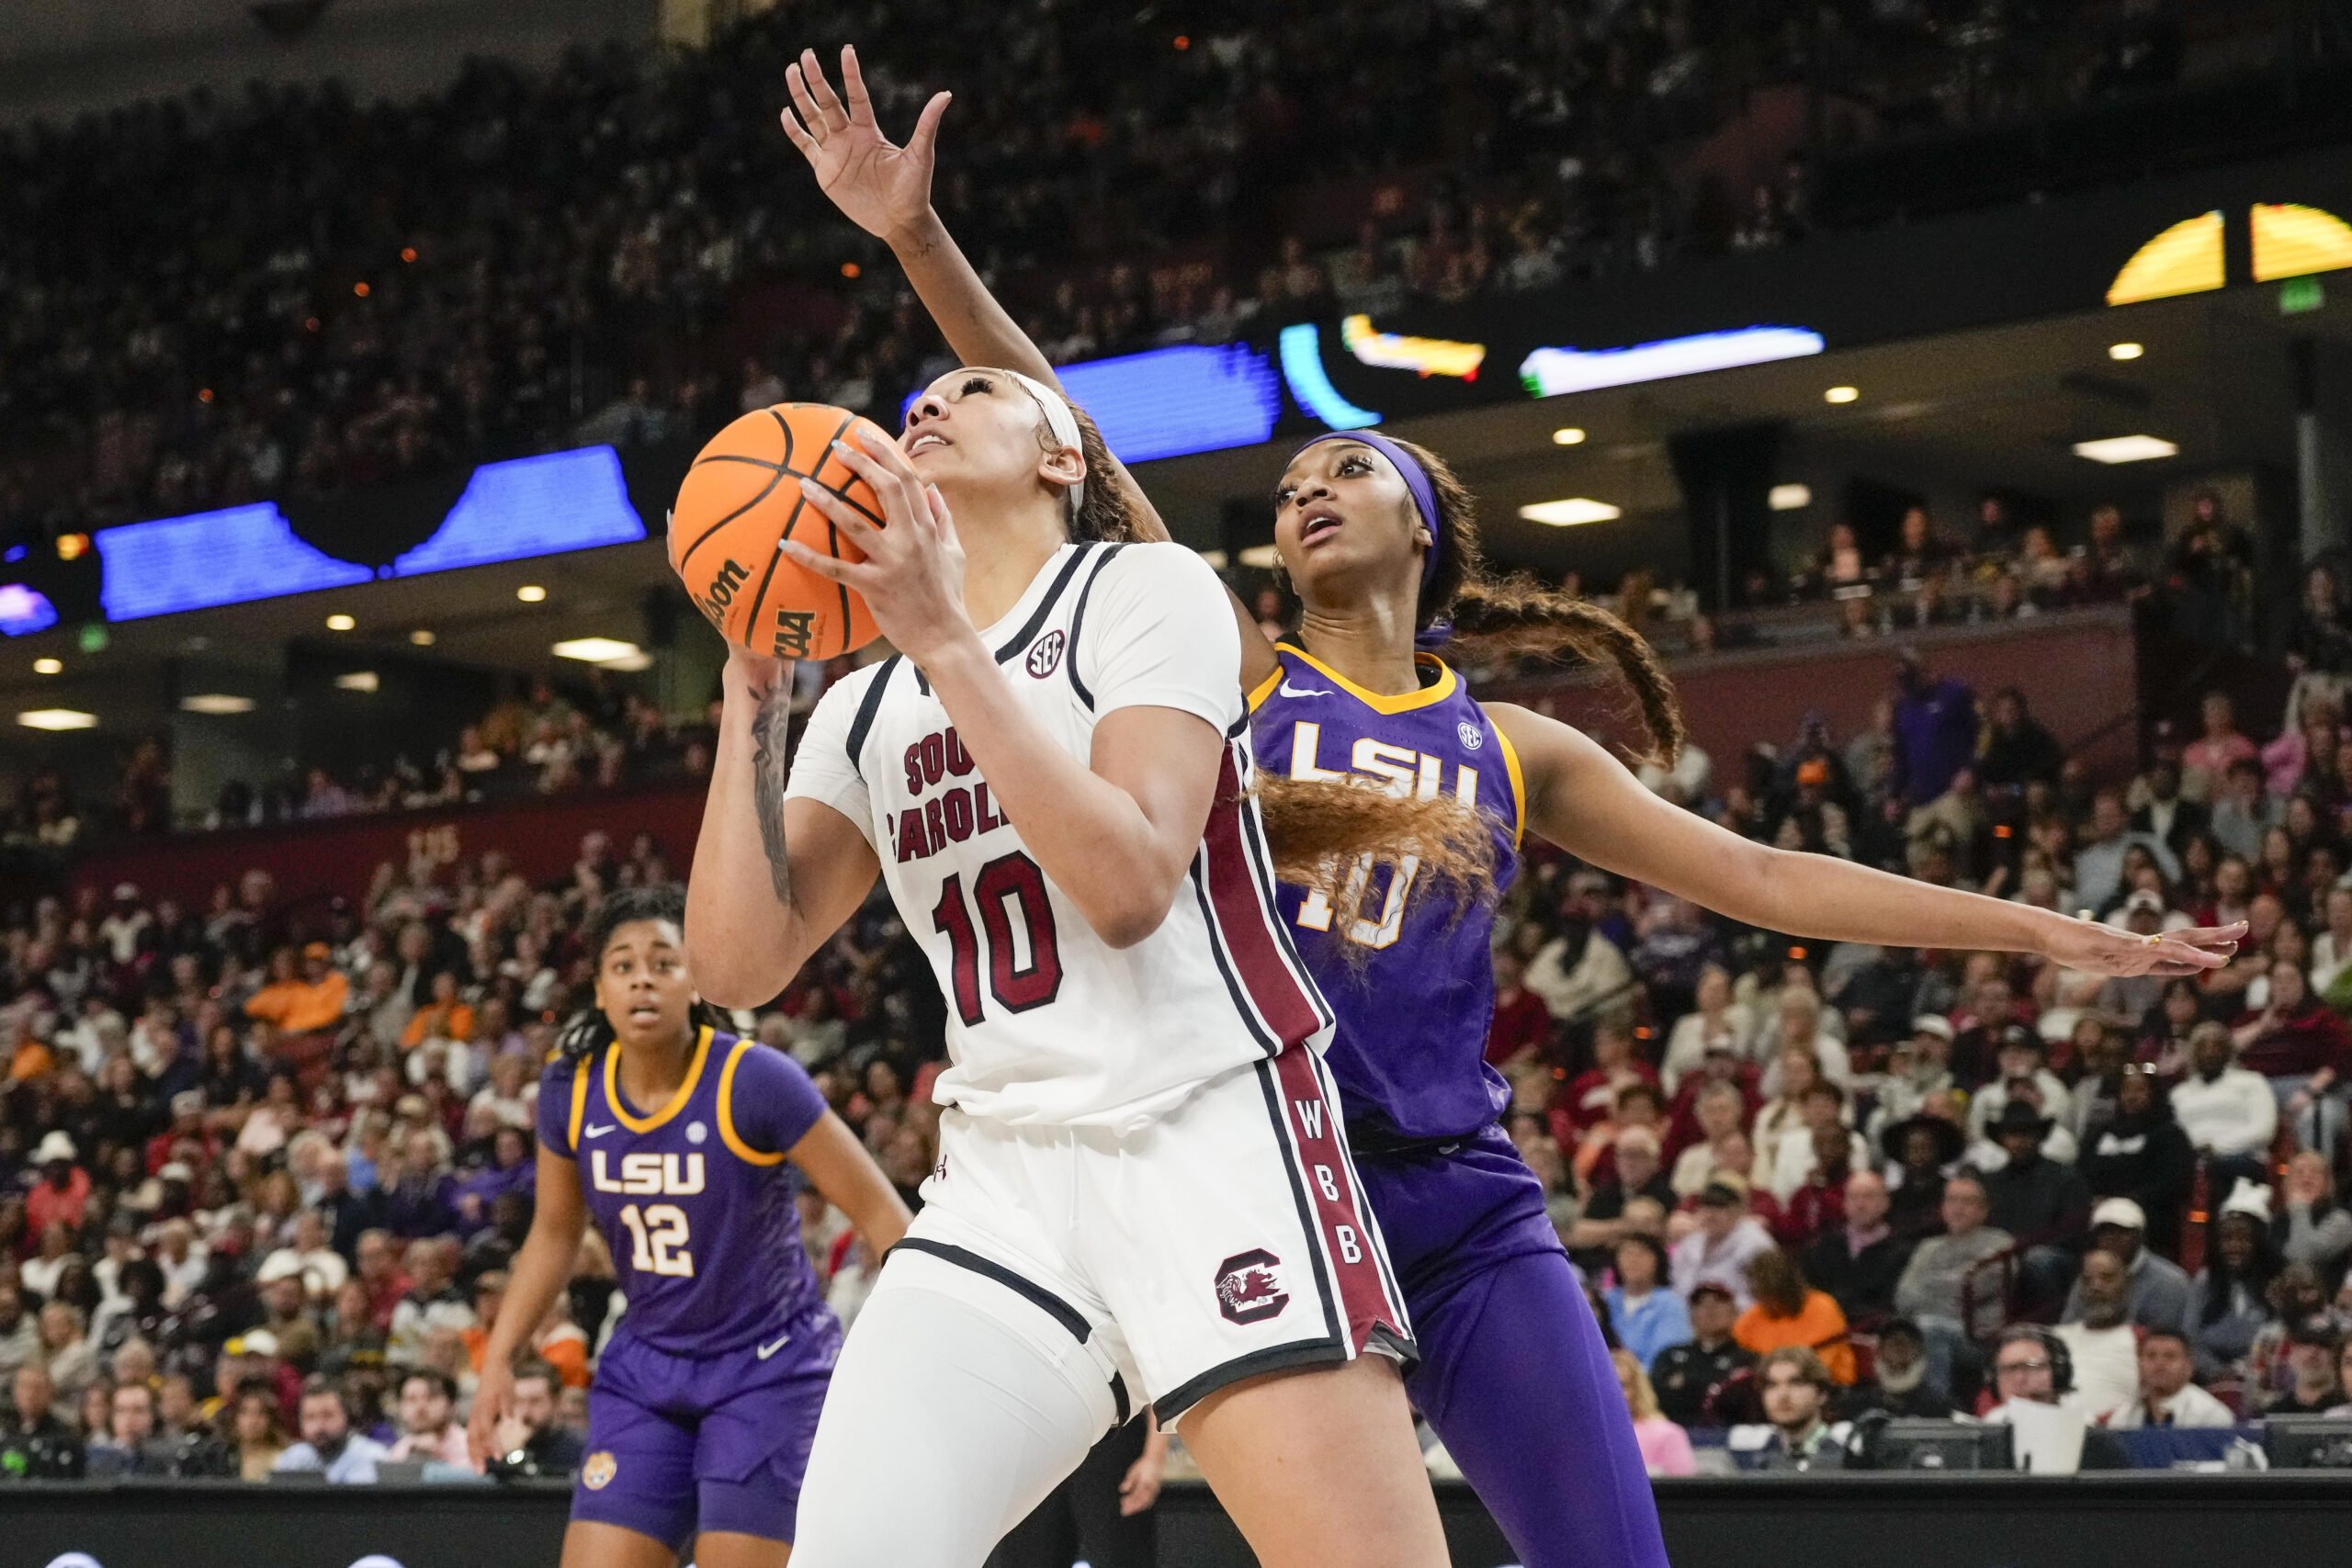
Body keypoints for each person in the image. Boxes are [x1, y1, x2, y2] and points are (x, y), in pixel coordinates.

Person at [785, 43, 2242, 1568]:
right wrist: (913, 236)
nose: (1305, 495)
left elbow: (1764, 874)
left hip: (1460, 1205)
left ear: (1430, 525)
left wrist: (2057, 936)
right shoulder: (1220, 661)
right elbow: (1061, 429)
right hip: (1260, 1171)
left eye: (1348, 470)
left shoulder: (1518, 745)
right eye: (1289, 489)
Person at [686, 52, 1446, 1568]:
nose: (931, 402)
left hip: (1210, 1133)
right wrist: (750, 693)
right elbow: (735, 967)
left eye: (969, 388)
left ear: (1058, 454)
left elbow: (1126, 885)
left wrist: (949, 643)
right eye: (914, 398)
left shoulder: (1141, 593)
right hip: (1008, 1178)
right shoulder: (867, 698)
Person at [468, 887, 910, 1568]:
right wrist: (498, 1358)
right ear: (599, 987)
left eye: (663, 961)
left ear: (696, 981)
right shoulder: (572, 1088)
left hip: (768, 1368)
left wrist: (915, 1359)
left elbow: (885, 1214)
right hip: (649, 1368)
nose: (642, 976)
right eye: (623, 964)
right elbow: (555, 1233)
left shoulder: (755, 1078)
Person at [986, 1416, 1168, 1568]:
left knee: (1117, 1556)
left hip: (1111, 1434)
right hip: (1034, 1445)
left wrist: (1154, 1456)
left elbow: (1161, 1377)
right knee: (1026, 1557)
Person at [1894, 1173, 2014, 1401]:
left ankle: (1934, 1413)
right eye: (1952, 1200)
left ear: (1983, 1210)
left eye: (1967, 1202)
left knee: (1931, 1327)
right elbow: (1903, 1297)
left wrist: (1929, 1285)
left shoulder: (1999, 1243)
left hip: (1977, 1338)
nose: (1958, 1208)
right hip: (1923, 1329)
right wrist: (1949, 1285)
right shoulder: (1927, 1247)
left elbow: (1974, 1287)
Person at [1982, 1326, 2132, 1471]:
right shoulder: (1981, 1439)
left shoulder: (2094, 1443)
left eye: (2031, 1367)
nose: (2019, 1378)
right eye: (2009, 1369)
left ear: (2059, 1374)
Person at [2062, 1198, 2195, 1335]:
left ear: (2140, 1236)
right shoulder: (2091, 1275)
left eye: (2122, 1232)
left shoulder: (2170, 1281)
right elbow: (2069, 1325)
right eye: (2105, 1232)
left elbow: (2165, 1338)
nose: (2112, 1238)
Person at [1801, 1169, 1912, 1327]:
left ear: (1886, 1202)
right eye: (1853, 1197)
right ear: (1844, 1204)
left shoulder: (1901, 1252)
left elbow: (1890, 1306)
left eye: (1868, 1196)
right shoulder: (1822, 1247)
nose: (1860, 1204)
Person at [1733, 1250, 1855, 1384]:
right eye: (1761, 1294)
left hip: (1827, 1387)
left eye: (1774, 1293)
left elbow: (1818, 1368)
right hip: (1768, 1389)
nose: (1769, 1302)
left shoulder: (1822, 1308)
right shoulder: (1750, 1320)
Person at [2055, 1247, 2142, 1423]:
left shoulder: (2144, 1341)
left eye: (2107, 1278)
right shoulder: (2053, 1338)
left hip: (2115, 1438)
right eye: (2087, 1280)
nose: (2096, 1286)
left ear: (2127, 1284)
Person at [1651, 1284, 1754, 1428]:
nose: (1709, 1310)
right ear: (1691, 1316)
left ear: (1735, 1313)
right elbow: (1655, 1401)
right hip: (1677, 1436)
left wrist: (1685, 1386)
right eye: (1701, 1304)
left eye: (1719, 1302)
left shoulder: (1749, 1360)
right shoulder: (1670, 1356)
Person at [2109, 1329, 2236, 1428]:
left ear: (2189, 1367)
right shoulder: (2124, 1416)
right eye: (2151, 1356)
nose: (2159, 1364)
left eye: (2170, 1356)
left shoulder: (2212, 1416)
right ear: (2139, 1365)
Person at [271, 1377, 388, 1483]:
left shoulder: (373, 1456)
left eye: (328, 1415)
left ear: (348, 1416)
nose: (319, 1426)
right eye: (310, 1417)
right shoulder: (293, 1457)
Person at [1602, 1235, 1690, 1372]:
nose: (1633, 1260)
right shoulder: (1605, 1299)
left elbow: (1665, 1357)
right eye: (1627, 1253)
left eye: (1642, 1254)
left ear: (1658, 1261)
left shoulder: (1670, 1303)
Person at [1750, 1348, 1846, 1472]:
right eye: (1772, 1385)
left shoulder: (1840, 1460)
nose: (1782, 1395)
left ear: (1821, 1394)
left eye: (1796, 1383)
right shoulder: (1760, 1459)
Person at [1838, 1318, 1951, 1419]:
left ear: (1919, 1353)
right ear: (1879, 1351)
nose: (1899, 1352)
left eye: (1906, 1345)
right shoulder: (1858, 1405)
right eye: (1893, 1345)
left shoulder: (1938, 1405)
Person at [1610, 1350, 1695, 1477]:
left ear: (1638, 1389)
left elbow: (1685, 1490)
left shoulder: (1668, 1434)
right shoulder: (1581, 1436)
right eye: (1605, 1386)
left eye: (1622, 1385)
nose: (1612, 1393)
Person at [0, 1362, 84, 1480]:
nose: (30, 1395)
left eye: (37, 1388)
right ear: (14, 1391)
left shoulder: (64, 1436)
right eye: (24, 1387)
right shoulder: (4, 1428)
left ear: (49, 1393)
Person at [385, 1368, 474, 1472]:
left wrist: (438, 1457)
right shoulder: (401, 1450)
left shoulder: (471, 1447)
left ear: (451, 1405)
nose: (420, 1407)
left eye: (431, 1398)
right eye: (411, 1399)